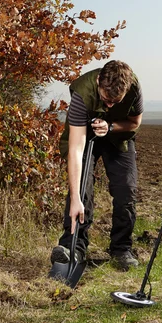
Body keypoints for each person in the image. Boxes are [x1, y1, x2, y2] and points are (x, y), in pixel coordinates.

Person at [50, 60, 143, 271]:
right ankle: (73, 247)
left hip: (118, 135)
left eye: (115, 102)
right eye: (105, 99)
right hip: (85, 134)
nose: (109, 105)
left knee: (126, 189)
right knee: (82, 189)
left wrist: (110, 126)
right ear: (99, 81)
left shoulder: (134, 89)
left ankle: (121, 249)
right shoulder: (82, 94)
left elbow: (135, 123)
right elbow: (75, 149)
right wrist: (75, 198)